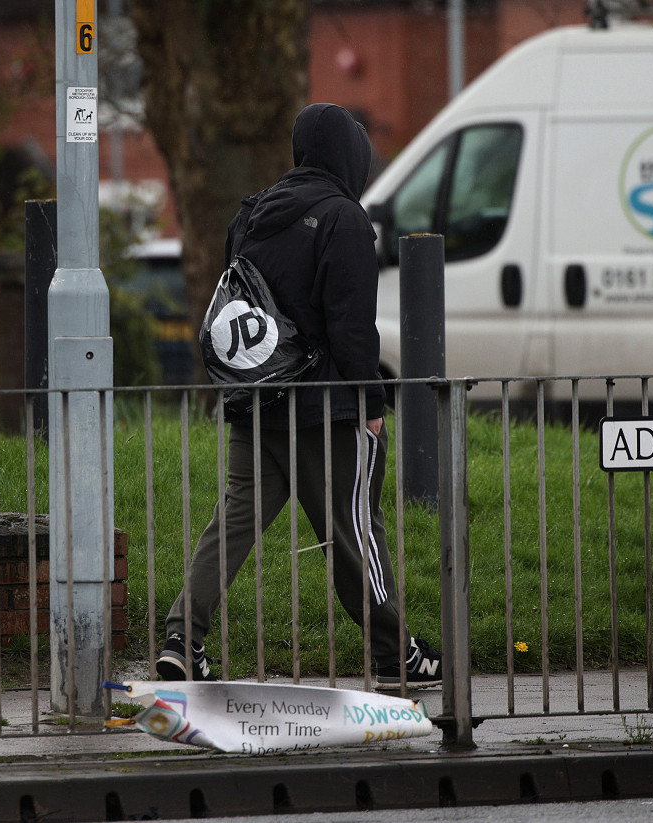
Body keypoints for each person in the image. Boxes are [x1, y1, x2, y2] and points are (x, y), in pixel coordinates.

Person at [157, 103, 442, 690]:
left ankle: (182, 639)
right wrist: (371, 404)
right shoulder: (344, 219)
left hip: (255, 398)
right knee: (353, 528)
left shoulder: (252, 215)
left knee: (233, 521)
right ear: (348, 155)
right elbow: (353, 327)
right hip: (326, 409)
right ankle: (396, 657)